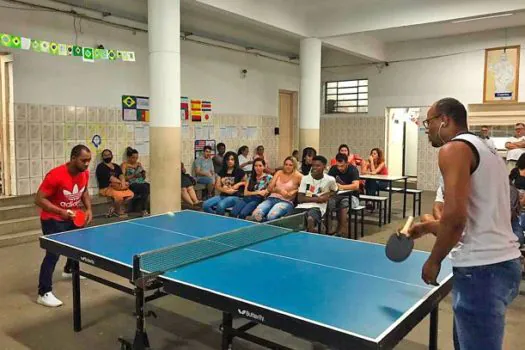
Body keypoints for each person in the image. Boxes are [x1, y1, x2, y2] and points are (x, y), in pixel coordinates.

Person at [407, 97, 522, 350]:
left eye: (429, 121)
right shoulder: (487, 150)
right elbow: (475, 221)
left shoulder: (453, 149)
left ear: (444, 120)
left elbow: (455, 219)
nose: (427, 128)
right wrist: (426, 227)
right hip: (502, 265)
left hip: (482, 272)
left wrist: (433, 260)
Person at [35, 145, 93, 307]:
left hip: (73, 217)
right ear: (73, 158)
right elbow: (39, 199)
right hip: (53, 220)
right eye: (84, 160)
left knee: (76, 246)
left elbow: (84, 191)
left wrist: (88, 209)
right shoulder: (55, 175)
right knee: (53, 254)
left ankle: (70, 269)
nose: (87, 164)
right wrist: (61, 212)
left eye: (89, 160)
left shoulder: (84, 173)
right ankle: (43, 292)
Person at [252, 157, 302, 222]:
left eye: (290, 165)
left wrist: (294, 191)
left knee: (271, 217)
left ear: (294, 166)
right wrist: (279, 190)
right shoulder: (279, 172)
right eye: (286, 164)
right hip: (271, 198)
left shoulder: (299, 176)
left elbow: (303, 190)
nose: (288, 167)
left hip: (286, 201)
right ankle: (269, 223)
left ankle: (271, 222)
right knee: (255, 214)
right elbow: (269, 188)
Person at [296, 156, 338, 233]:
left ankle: (311, 233)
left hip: (317, 208)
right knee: (287, 220)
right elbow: (300, 198)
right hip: (302, 206)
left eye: (318, 166)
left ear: (324, 167)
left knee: (311, 218)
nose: (314, 168)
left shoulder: (330, 180)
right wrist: (319, 199)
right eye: (313, 165)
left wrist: (328, 194)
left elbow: (335, 190)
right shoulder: (305, 178)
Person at [327, 153, 361, 235]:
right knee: (327, 202)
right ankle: (329, 228)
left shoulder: (353, 170)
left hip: (352, 196)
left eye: (342, 166)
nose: (339, 168)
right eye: (338, 166)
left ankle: (342, 228)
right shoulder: (333, 169)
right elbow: (327, 182)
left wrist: (342, 187)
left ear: (347, 163)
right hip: (337, 195)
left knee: (344, 203)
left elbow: (356, 186)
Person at [96, 149, 134, 218]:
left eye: (109, 155)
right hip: (105, 188)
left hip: (118, 187)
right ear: (102, 157)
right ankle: (118, 211)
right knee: (119, 196)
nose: (107, 156)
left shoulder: (116, 166)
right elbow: (111, 178)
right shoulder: (100, 167)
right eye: (105, 155)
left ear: (112, 156)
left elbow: (121, 175)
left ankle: (114, 207)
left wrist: (123, 181)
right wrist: (122, 183)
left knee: (131, 194)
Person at [122, 147, 150, 216]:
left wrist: (143, 174)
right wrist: (133, 176)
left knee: (148, 186)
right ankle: (143, 210)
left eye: (136, 157)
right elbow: (123, 178)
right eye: (133, 157)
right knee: (144, 188)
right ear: (128, 157)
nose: (135, 159)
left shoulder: (139, 164)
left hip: (141, 182)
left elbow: (143, 177)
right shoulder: (124, 165)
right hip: (132, 184)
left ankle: (146, 208)